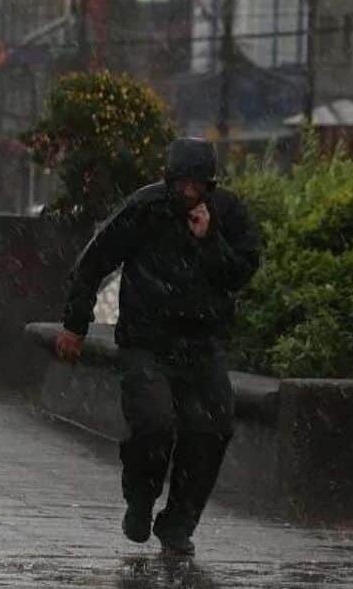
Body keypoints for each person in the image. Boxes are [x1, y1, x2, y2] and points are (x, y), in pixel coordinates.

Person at [54, 137, 261, 556]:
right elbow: (93, 263)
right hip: (146, 341)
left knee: (212, 429)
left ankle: (179, 523)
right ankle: (141, 499)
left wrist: (210, 239)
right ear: (169, 179)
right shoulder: (143, 208)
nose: (188, 192)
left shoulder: (227, 213)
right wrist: (76, 324)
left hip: (202, 343)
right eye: (181, 183)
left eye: (197, 184)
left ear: (210, 184)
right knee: (154, 424)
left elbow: (240, 271)